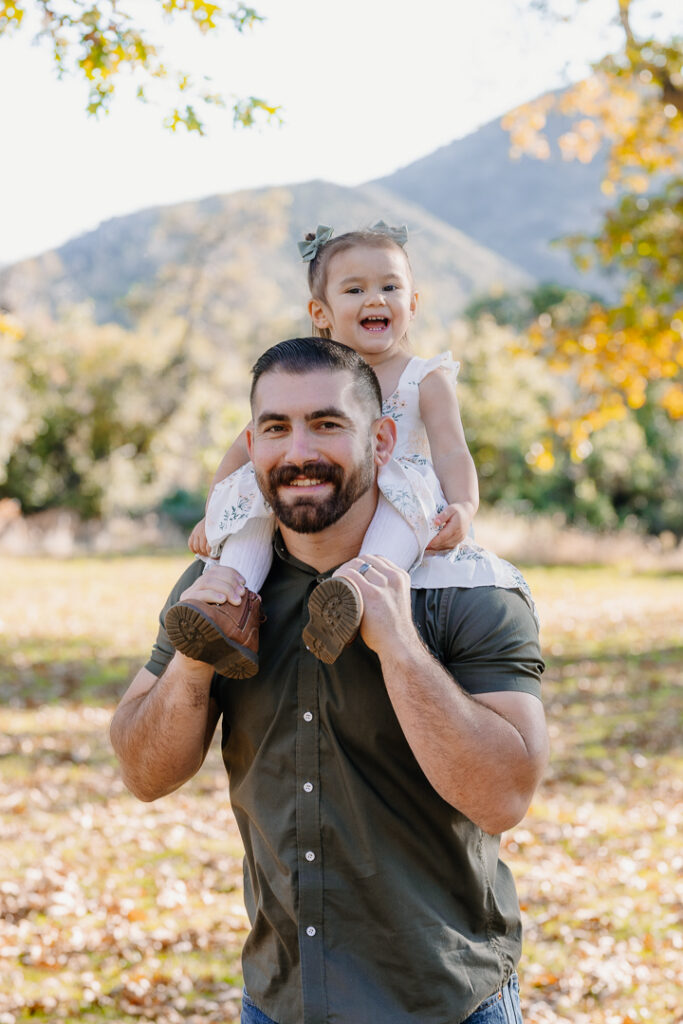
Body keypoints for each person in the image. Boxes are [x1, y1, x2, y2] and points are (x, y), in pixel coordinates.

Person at [110, 337, 548, 1024]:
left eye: (327, 424)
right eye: (275, 428)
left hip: (446, 1003)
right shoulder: (221, 587)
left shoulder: (469, 587)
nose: (297, 451)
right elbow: (143, 772)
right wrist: (195, 660)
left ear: (382, 441)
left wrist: (398, 646)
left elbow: (503, 797)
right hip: (282, 1002)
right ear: (250, 445)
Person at [165, 223, 526, 679]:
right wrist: (215, 513)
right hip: (318, 486)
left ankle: (352, 600)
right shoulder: (303, 378)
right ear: (321, 312)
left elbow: (454, 452)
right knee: (258, 502)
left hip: (399, 493)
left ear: (412, 305)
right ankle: (230, 611)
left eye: (390, 286)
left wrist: (464, 505)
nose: (375, 299)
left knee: (401, 513)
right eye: (355, 289)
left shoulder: (424, 378)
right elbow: (248, 446)